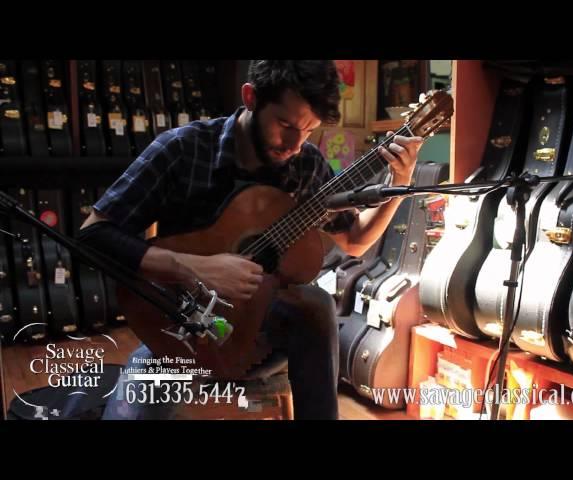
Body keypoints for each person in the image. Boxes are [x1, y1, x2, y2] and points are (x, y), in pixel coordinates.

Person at [78, 60, 423, 420]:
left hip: (258, 337)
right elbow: (93, 236)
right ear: (250, 97)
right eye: (285, 125)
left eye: (308, 131)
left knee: (317, 305)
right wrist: (193, 268)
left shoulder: (306, 164)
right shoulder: (184, 149)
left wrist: (398, 185)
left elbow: (354, 241)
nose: (295, 145)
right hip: (180, 332)